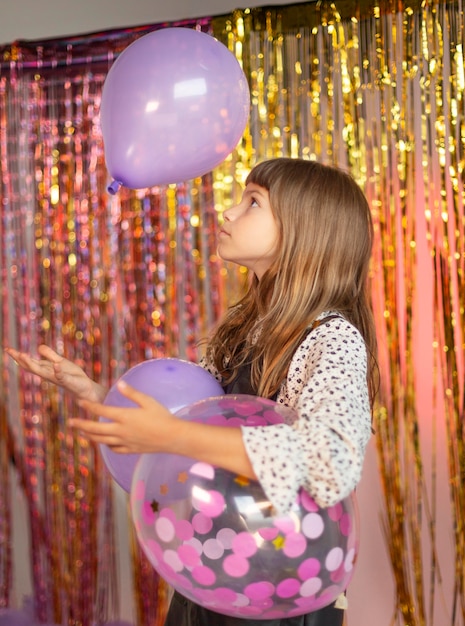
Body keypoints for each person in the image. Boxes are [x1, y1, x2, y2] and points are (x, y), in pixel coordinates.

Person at [7, 158, 378, 626]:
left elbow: (330, 461)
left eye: (253, 203)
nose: (228, 212)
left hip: (282, 591)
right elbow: (195, 422)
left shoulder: (332, 338)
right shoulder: (247, 328)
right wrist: (103, 397)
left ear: (306, 232)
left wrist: (168, 435)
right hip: (212, 566)